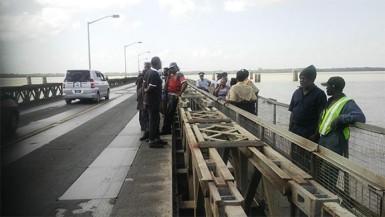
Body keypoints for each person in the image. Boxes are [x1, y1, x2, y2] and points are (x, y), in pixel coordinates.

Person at [288, 65, 326, 170]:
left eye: (304, 78)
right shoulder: (296, 93)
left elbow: (321, 117)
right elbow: (292, 112)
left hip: (309, 131)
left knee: (308, 158)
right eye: (300, 78)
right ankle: (295, 173)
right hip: (296, 129)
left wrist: (316, 134)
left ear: (311, 79)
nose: (301, 80)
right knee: (295, 155)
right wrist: (290, 128)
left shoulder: (319, 95)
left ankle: (308, 178)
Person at [317, 76, 366, 157]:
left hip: (336, 140)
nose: (326, 88)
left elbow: (361, 117)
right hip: (324, 138)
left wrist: (340, 119)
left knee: (329, 168)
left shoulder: (347, 102)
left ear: (333, 87)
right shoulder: (330, 101)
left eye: (327, 86)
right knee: (319, 166)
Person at [142, 56, 167, 148]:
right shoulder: (154, 73)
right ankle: (152, 141)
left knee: (156, 120)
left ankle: (156, 138)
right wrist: (146, 91)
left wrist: (144, 98)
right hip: (153, 101)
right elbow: (150, 87)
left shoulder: (148, 72)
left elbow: (144, 83)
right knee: (153, 120)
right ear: (157, 63)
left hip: (149, 100)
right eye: (160, 62)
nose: (161, 64)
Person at [160, 62, 188, 135]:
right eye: (170, 69)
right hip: (169, 95)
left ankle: (165, 129)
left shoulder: (179, 74)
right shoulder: (171, 76)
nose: (171, 70)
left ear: (176, 68)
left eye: (172, 68)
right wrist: (168, 76)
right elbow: (165, 87)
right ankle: (167, 128)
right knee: (166, 113)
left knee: (169, 113)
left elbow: (185, 83)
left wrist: (179, 93)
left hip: (173, 96)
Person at [136, 62, 151, 131]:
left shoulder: (148, 75)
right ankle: (144, 127)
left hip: (145, 97)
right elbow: (139, 89)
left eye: (148, 67)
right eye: (146, 67)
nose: (146, 68)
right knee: (142, 113)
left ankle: (145, 127)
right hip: (142, 97)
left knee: (144, 113)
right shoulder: (141, 78)